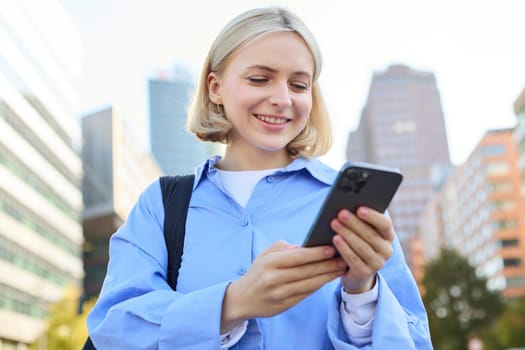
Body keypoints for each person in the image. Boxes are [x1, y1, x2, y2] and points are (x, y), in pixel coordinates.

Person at [87, 6, 433, 349]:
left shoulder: (353, 211)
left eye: (299, 85)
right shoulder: (160, 205)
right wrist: (234, 303)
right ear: (215, 88)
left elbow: (414, 343)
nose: (283, 99)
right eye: (259, 78)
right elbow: (114, 330)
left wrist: (362, 292)